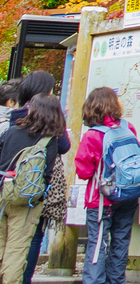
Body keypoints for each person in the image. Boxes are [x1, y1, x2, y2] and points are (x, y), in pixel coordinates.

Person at [74, 87, 140, 284]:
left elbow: (84, 170)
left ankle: (94, 281)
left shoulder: (93, 136)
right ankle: (116, 281)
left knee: (98, 244)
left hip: (101, 199)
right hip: (128, 194)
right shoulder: (128, 128)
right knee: (120, 242)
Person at [0, 95, 67, 284]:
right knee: (15, 252)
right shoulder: (49, 141)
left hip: (3, 196)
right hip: (28, 202)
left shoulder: (11, 132)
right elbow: (47, 175)